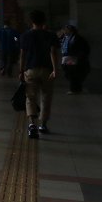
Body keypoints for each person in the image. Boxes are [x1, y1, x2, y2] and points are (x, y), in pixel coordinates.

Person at [18, 9, 60, 139]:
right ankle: (43, 124)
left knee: (30, 97)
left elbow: (23, 54)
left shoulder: (26, 35)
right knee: (46, 97)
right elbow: (53, 52)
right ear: (44, 21)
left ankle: (32, 125)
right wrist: (55, 69)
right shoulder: (51, 35)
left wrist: (21, 70)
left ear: (31, 21)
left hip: (31, 70)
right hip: (47, 70)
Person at [59, 23, 91, 94]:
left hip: (74, 59)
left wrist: (79, 57)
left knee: (73, 74)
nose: (64, 31)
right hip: (68, 58)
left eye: (66, 30)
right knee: (70, 74)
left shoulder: (77, 38)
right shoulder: (66, 38)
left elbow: (85, 49)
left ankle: (74, 89)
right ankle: (76, 89)